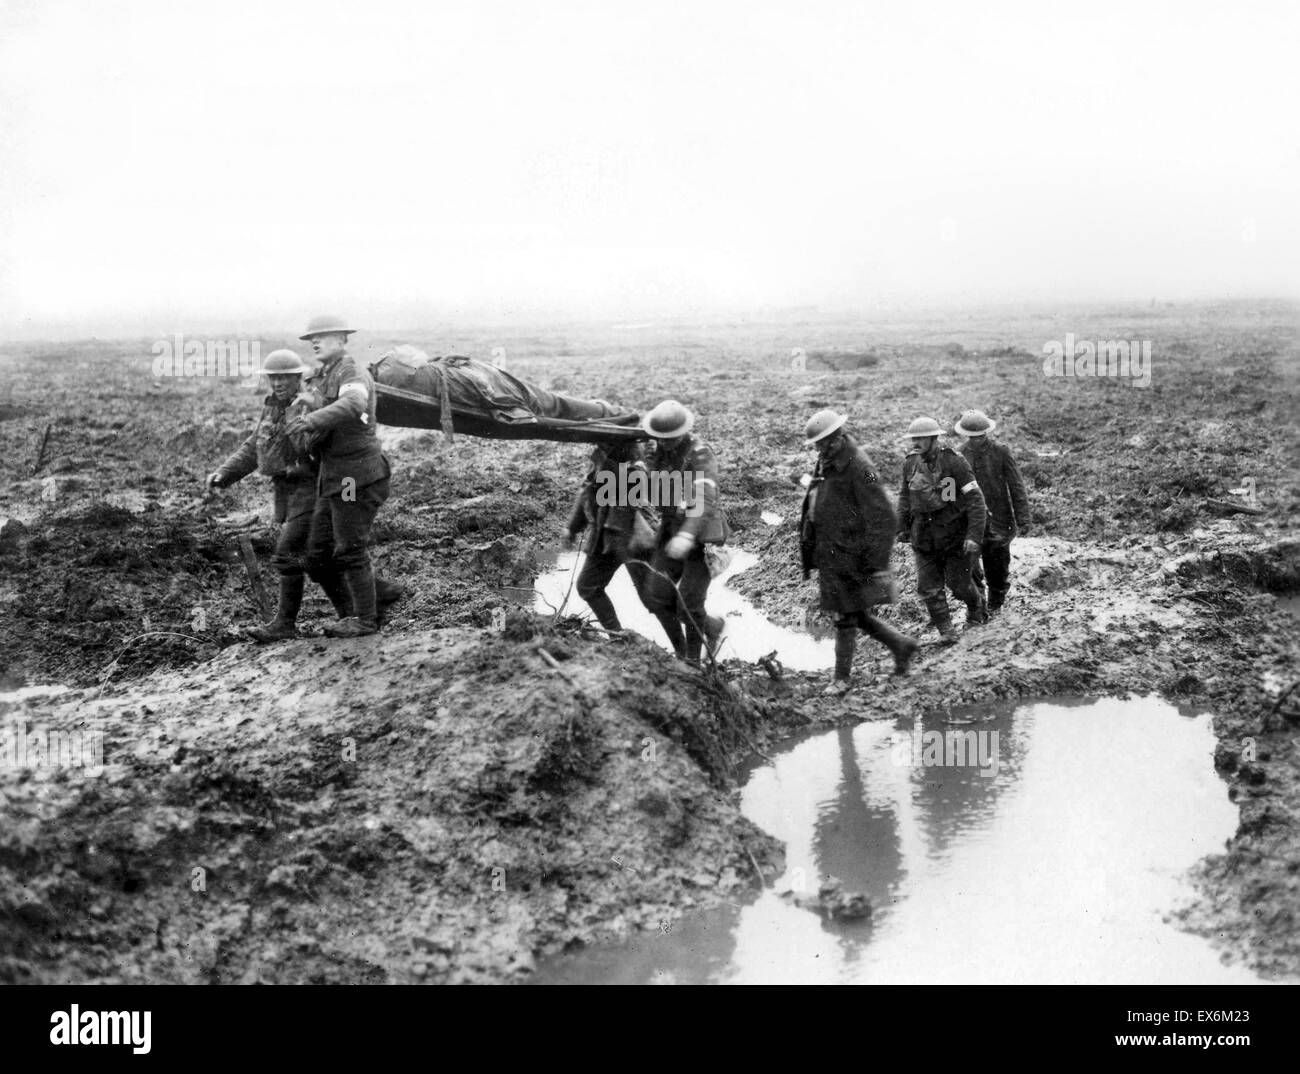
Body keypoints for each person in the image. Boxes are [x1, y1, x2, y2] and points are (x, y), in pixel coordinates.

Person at [285, 315, 393, 638]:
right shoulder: (324, 376)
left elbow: (355, 401)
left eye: (323, 336)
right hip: (334, 479)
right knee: (316, 556)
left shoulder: (350, 371)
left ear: (342, 340)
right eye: (311, 339)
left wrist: (312, 419)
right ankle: (359, 608)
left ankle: (366, 619)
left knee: (349, 548)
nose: (315, 342)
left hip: (353, 480)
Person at [206, 349, 321, 642]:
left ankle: (285, 624)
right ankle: (366, 605)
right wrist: (225, 473)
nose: (278, 383)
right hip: (287, 491)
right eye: (274, 377)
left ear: (298, 378)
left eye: (285, 377)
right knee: (315, 559)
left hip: (311, 488)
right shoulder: (272, 406)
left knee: (288, 553)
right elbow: (255, 445)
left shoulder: (307, 405)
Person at [801, 410, 918, 695]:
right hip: (833, 551)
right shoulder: (828, 461)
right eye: (817, 445)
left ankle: (841, 679)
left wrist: (877, 564)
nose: (819, 449)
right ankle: (902, 646)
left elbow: (885, 517)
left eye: (823, 443)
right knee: (853, 612)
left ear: (838, 438)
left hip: (854, 554)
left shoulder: (860, 466)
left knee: (846, 616)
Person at [638, 400, 728, 665]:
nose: (664, 442)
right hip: (671, 531)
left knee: (688, 602)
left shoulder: (700, 453)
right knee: (655, 595)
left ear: (683, 432)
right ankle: (709, 630)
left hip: (701, 537)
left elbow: (704, 498)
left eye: (669, 438)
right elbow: (653, 489)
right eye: (659, 438)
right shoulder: (660, 453)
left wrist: (687, 534)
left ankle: (692, 661)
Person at [896, 416, 988, 643]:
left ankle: (976, 606)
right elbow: (905, 497)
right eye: (913, 438)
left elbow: (976, 499)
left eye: (921, 438)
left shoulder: (954, 462)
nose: (916, 442)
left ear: (934, 439)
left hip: (953, 535)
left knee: (958, 586)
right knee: (928, 587)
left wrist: (974, 535)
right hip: (923, 537)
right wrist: (902, 527)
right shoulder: (909, 463)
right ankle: (947, 631)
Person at [565, 440, 654, 633]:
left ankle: (706, 628)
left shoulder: (634, 467)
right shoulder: (600, 458)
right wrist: (573, 528)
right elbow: (587, 494)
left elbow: (631, 497)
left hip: (631, 539)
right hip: (607, 539)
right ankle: (616, 635)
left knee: (654, 600)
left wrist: (608, 469)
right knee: (588, 586)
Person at [955, 409, 1030, 614]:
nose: (977, 440)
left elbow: (1016, 486)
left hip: (999, 519)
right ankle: (977, 607)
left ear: (987, 433)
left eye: (981, 436)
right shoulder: (959, 454)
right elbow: (952, 491)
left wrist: (1023, 518)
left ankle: (996, 602)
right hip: (971, 520)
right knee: (970, 565)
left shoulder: (1001, 452)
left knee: (997, 565)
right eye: (973, 437)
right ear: (966, 435)